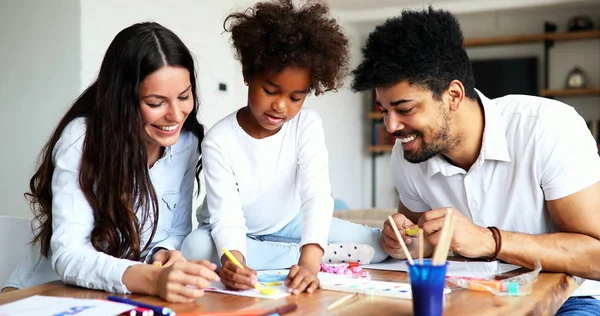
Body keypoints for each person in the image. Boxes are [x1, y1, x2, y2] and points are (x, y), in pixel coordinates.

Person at [351, 6, 600, 315]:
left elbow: (597, 257)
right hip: (467, 297)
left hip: (566, 300)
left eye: (404, 109)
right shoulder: (408, 155)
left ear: (453, 95)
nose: (390, 126)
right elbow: (419, 243)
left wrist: (489, 241)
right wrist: (410, 242)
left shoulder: (547, 128)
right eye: (384, 110)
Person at [1, 22, 220, 303]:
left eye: (184, 96)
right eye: (156, 103)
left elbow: (175, 231)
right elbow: (69, 256)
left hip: (118, 297)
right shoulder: (81, 139)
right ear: (123, 99)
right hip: (44, 294)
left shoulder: (186, 143)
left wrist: (164, 255)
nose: (176, 115)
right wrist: (151, 278)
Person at [181, 0, 388, 295]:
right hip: (236, 230)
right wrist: (235, 261)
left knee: (377, 248)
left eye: (296, 97)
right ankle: (315, 255)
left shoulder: (307, 125)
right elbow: (227, 216)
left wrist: (309, 262)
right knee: (196, 247)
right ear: (247, 74)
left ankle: (304, 253)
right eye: (270, 90)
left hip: (290, 221)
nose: (280, 106)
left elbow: (316, 197)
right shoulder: (219, 140)